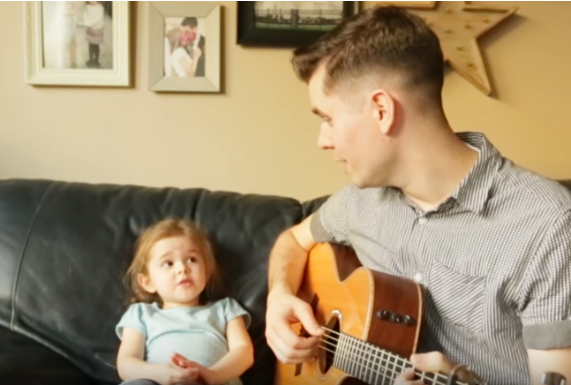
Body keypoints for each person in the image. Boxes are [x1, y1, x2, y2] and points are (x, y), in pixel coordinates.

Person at [265, 5, 571, 385]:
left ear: (381, 110)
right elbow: (293, 240)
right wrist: (278, 296)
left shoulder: (548, 226)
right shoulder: (360, 201)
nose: (322, 141)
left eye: (327, 119)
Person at [115, 219, 254, 385]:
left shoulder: (226, 308)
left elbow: (244, 352)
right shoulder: (141, 313)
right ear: (147, 282)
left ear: (206, 272)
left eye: (192, 260)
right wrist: (159, 373)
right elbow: (126, 364)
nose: (182, 268)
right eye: (168, 263)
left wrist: (213, 375)